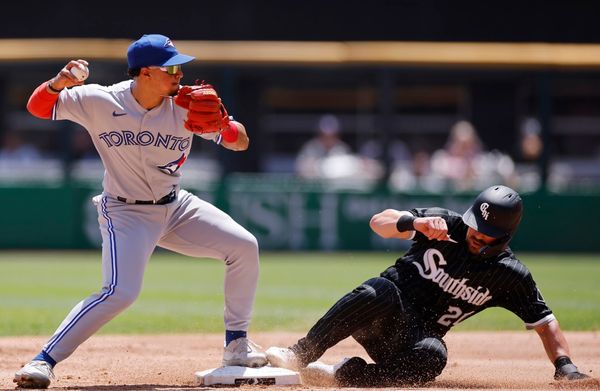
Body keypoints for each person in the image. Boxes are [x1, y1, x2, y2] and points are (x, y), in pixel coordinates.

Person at [14, 34, 267, 389]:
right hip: (125, 212)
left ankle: (237, 343)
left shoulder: (186, 104)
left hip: (176, 206)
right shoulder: (99, 99)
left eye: (181, 66)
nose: (180, 74)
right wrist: (59, 83)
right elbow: (39, 108)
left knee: (244, 246)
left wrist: (223, 124)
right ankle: (43, 360)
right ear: (144, 73)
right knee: (120, 292)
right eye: (171, 68)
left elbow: (240, 142)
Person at [266, 185, 591, 387]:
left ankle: (345, 375)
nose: (473, 232)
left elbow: (545, 323)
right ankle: (300, 353)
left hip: (413, 341)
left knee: (434, 355)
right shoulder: (446, 225)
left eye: (484, 233)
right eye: (473, 223)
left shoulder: (509, 275)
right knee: (380, 289)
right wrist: (414, 222)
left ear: (503, 238)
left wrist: (566, 366)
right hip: (376, 311)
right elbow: (378, 222)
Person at [295, 114, 352, 179]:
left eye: (332, 135)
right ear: (319, 134)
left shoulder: (342, 148)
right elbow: (301, 169)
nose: (328, 138)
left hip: (335, 185)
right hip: (314, 185)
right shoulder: (311, 147)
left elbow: (348, 171)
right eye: (325, 135)